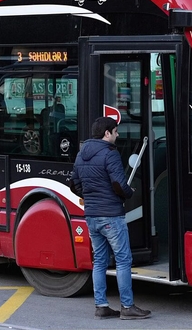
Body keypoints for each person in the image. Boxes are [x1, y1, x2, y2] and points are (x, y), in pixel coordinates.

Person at [69, 117, 151, 321]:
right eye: (115, 131)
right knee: (123, 259)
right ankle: (127, 306)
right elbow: (118, 184)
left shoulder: (81, 155)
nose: (117, 135)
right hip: (111, 215)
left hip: (92, 215)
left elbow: (74, 184)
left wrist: (90, 196)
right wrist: (128, 193)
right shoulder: (110, 154)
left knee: (99, 260)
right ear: (107, 133)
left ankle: (102, 306)